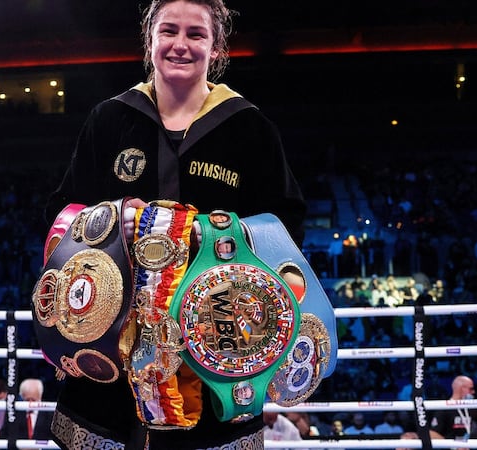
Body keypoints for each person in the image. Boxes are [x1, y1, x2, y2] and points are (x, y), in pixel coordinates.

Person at [44, 1, 306, 448]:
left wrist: (221, 237)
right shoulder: (109, 120)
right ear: (150, 41)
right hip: (113, 346)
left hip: (219, 342)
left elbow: (286, 230)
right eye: (169, 31)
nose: (180, 45)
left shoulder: (249, 128)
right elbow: (61, 218)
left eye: (195, 34)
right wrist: (107, 223)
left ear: (217, 47)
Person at [430, 375, 477, 447]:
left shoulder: (470, 408)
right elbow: (432, 433)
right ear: (462, 388)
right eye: (471, 389)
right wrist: (453, 446)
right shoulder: (445, 408)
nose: (473, 392)